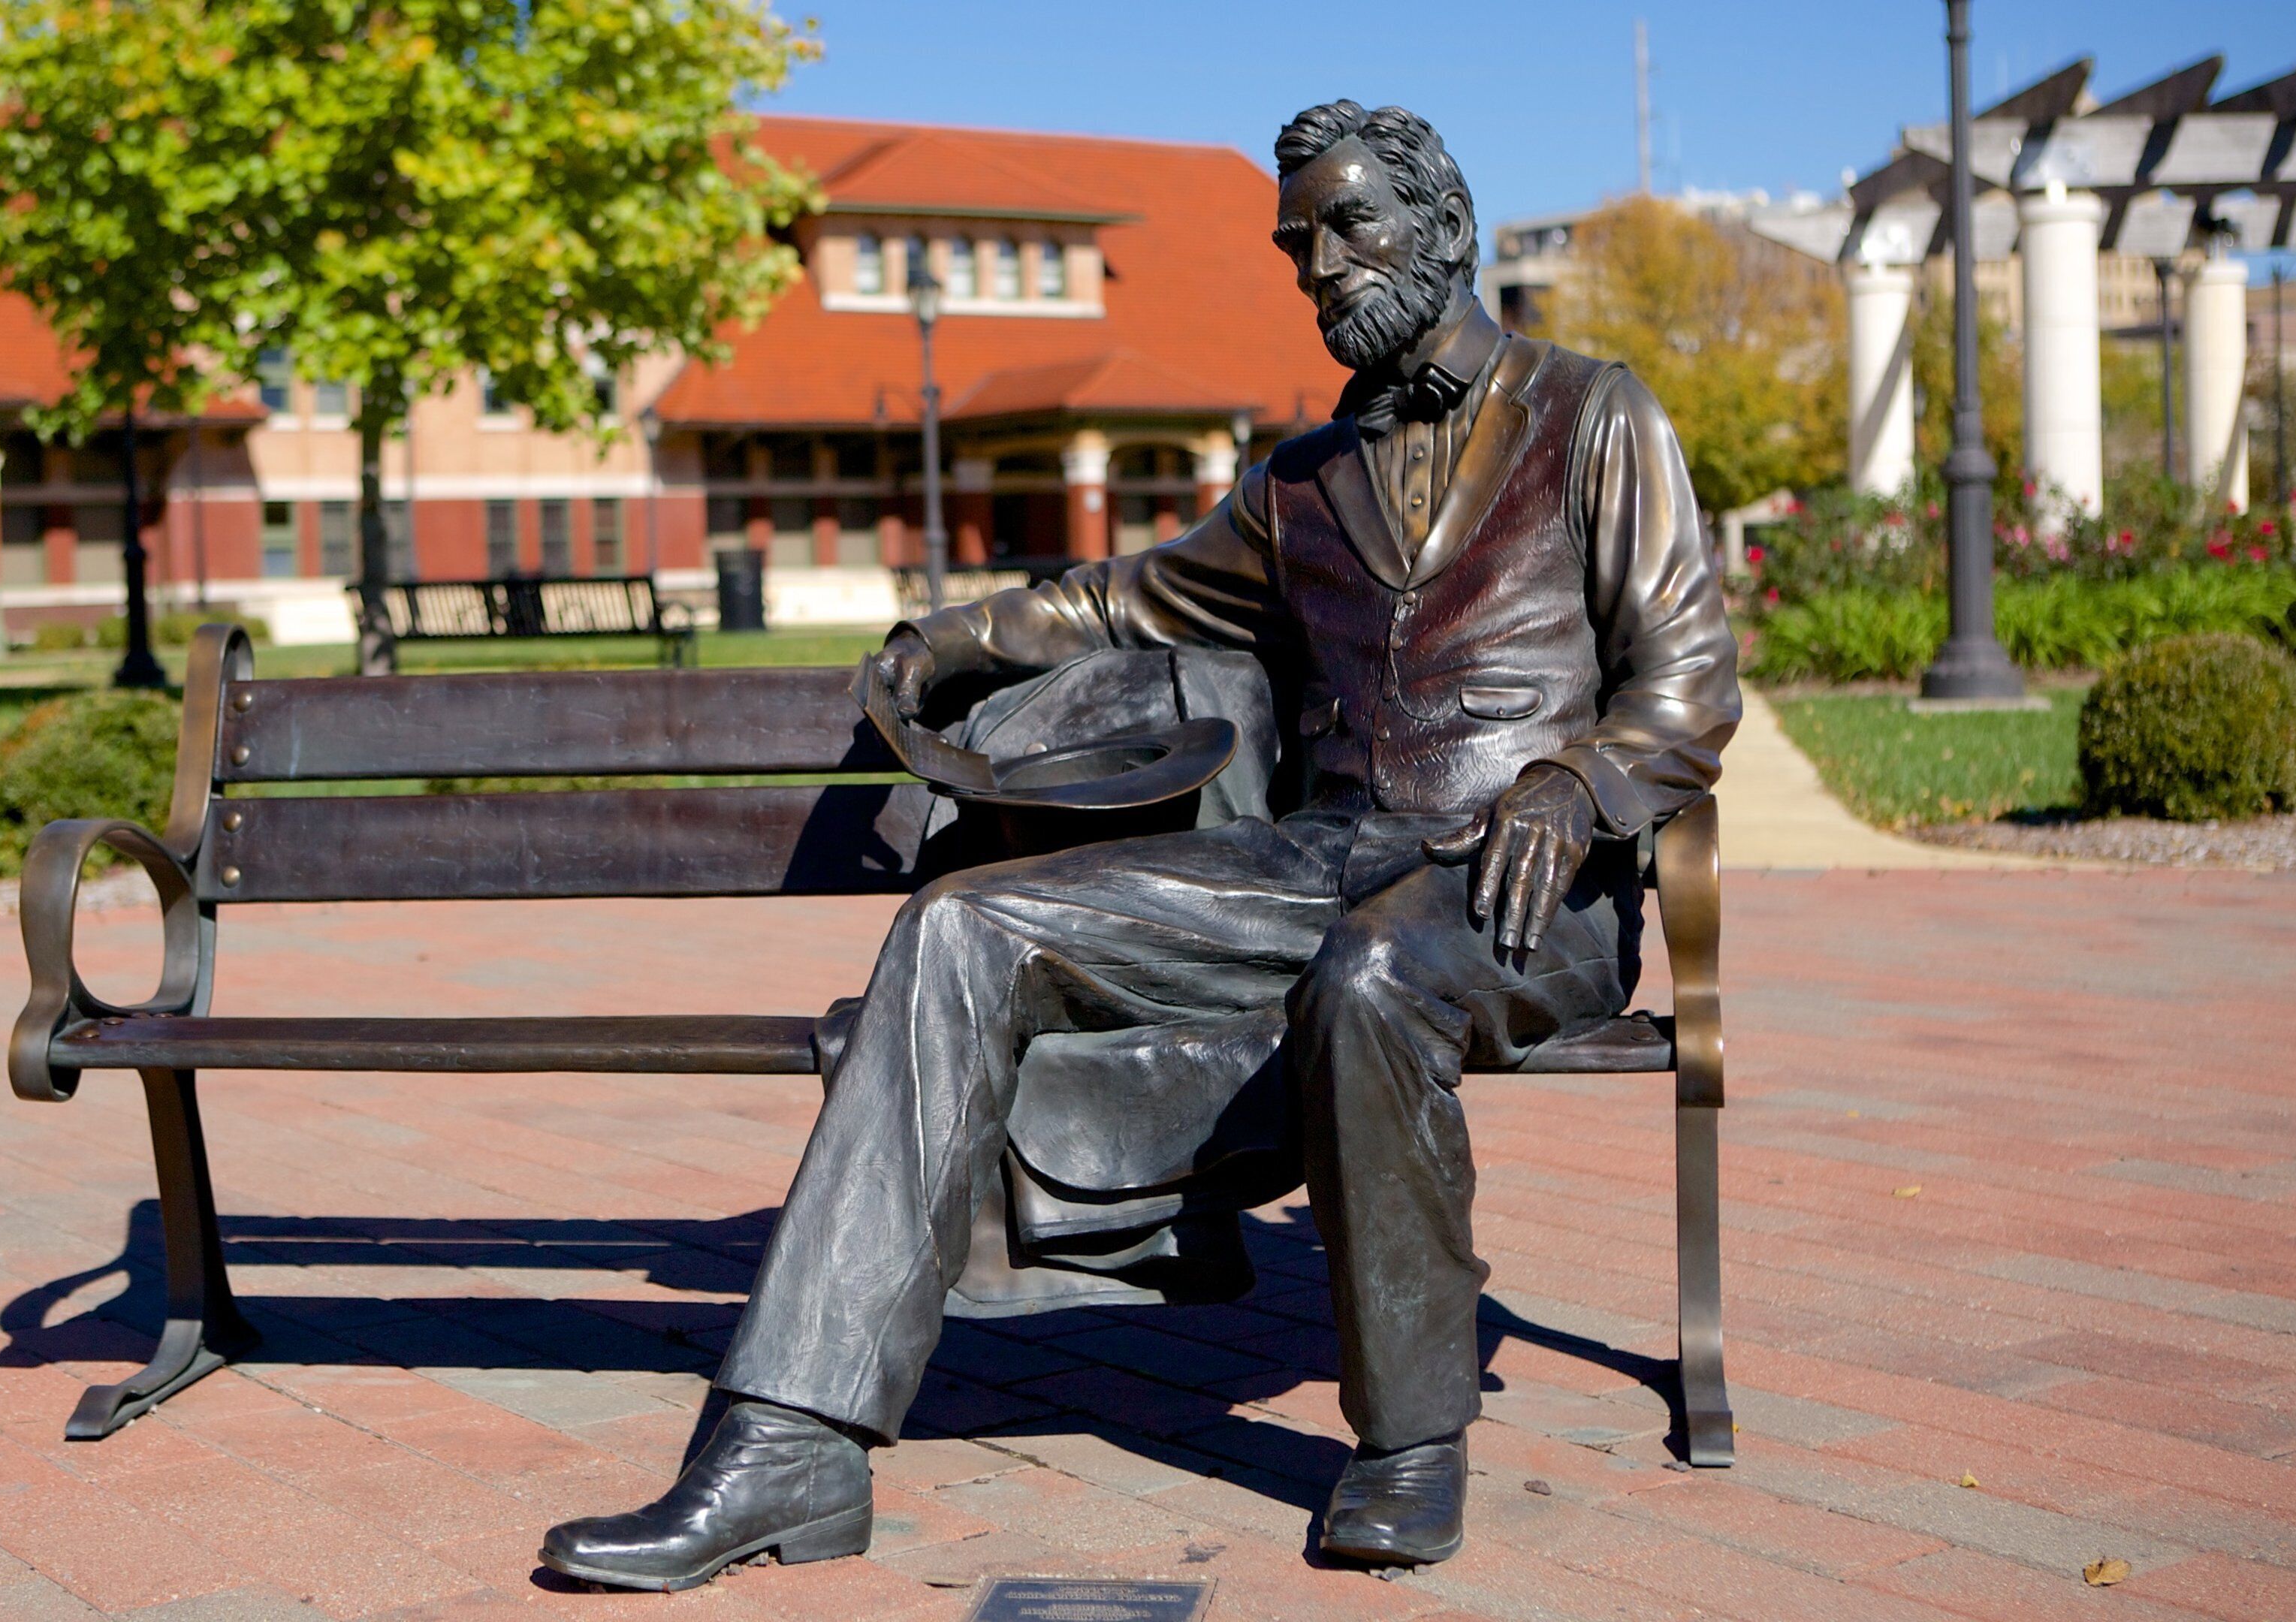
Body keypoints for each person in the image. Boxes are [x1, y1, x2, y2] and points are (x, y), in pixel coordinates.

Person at [542, 98, 1739, 1592]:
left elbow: (1688, 681)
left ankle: (1411, 1437)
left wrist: (1578, 777)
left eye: (1349, 227)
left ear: (1443, 225)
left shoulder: (1596, 414)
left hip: (1522, 891)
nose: (1320, 266)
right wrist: (953, 637)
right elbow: (1124, 599)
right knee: (964, 926)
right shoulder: (1301, 480)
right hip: (1321, 859)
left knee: (1374, 981)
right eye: (1299, 243)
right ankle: (792, 1441)